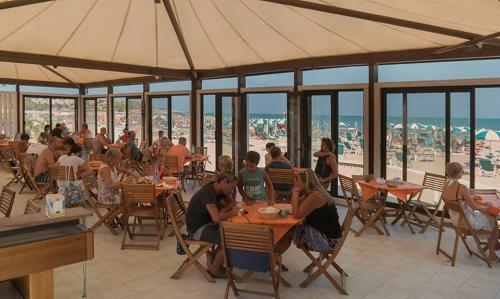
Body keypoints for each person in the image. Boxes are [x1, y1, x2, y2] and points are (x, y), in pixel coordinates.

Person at [186, 172, 240, 277]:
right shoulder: (208, 193)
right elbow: (216, 217)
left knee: (231, 235)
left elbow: (220, 210)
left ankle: (212, 260)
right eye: (232, 187)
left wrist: (230, 205)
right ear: (224, 182)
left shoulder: (215, 190)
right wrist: (234, 212)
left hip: (206, 224)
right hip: (197, 229)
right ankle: (214, 269)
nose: (232, 190)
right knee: (230, 240)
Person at [442, 162, 499, 262]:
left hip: (456, 219)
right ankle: (492, 255)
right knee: (494, 224)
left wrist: (471, 197)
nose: (463, 173)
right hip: (466, 221)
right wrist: (487, 206)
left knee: (488, 218)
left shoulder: (446, 184)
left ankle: (488, 246)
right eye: (461, 171)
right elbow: (474, 207)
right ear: (457, 173)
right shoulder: (461, 187)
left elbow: (458, 200)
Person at [292, 169, 342, 252]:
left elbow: (297, 215)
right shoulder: (312, 192)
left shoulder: (315, 196)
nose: (296, 184)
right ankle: (274, 256)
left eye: (297, 181)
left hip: (329, 241)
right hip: (325, 233)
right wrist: (297, 196)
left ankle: (274, 257)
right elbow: (293, 205)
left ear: (305, 183)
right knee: (289, 230)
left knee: (289, 231)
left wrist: (296, 194)